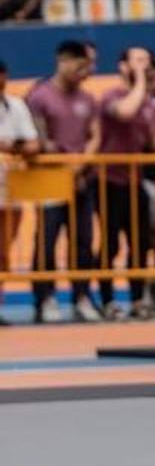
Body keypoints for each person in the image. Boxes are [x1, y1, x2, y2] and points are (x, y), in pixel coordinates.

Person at [26, 40, 101, 323]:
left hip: (83, 179)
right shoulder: (40, 96)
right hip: (50, 178)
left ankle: (82, 297)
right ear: (64, 61)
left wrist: (81, 165)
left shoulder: (87, 99)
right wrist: (63, 165)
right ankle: (44, 298)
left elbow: (95, 135)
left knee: (83, 241)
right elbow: (40, 139)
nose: (86, 73)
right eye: (81, 67)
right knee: (46, 240)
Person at [94, 48, 155, 320]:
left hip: (135, 181)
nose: (144, 65)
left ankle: (137, 299)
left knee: (140, 243)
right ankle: (108, 300)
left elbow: (153, 140)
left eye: (147, 60)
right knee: (110, 244)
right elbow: (125, 112)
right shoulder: (113, 95)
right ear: (122, 65)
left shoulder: (146, 100)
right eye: (138, 61)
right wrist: (138, 81)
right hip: (108, 182)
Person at [0, 58, 40, 326]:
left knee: (3, 252)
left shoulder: (15, 106)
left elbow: (32, 145)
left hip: (9, 192)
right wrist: (12, 146)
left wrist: (11, 146)